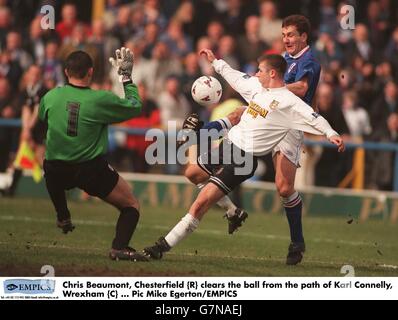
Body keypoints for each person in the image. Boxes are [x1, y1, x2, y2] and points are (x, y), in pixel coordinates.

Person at [142, 54, 345, 261]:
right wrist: (216, 62)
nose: (256, 74)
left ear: (272, 73)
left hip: (242, 160)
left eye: (260, 71)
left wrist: (331, 134)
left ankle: (161, 247)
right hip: (228, 144)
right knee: (193, 173)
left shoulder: (289, 102)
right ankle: (232, 211)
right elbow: (236, 79)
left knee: (200, 204)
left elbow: (314, 117)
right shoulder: (259, 90)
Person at [38, 48, 148, 261]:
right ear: (90, 72)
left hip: (54, 168)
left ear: (66, 71)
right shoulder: (100, 99)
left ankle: (63, 215)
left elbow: (43, 117)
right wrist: (125, 77)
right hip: (88, 169)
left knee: (52, 170)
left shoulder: (50, 96)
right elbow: (135, 107)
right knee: (131, 204)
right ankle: (119, 247)